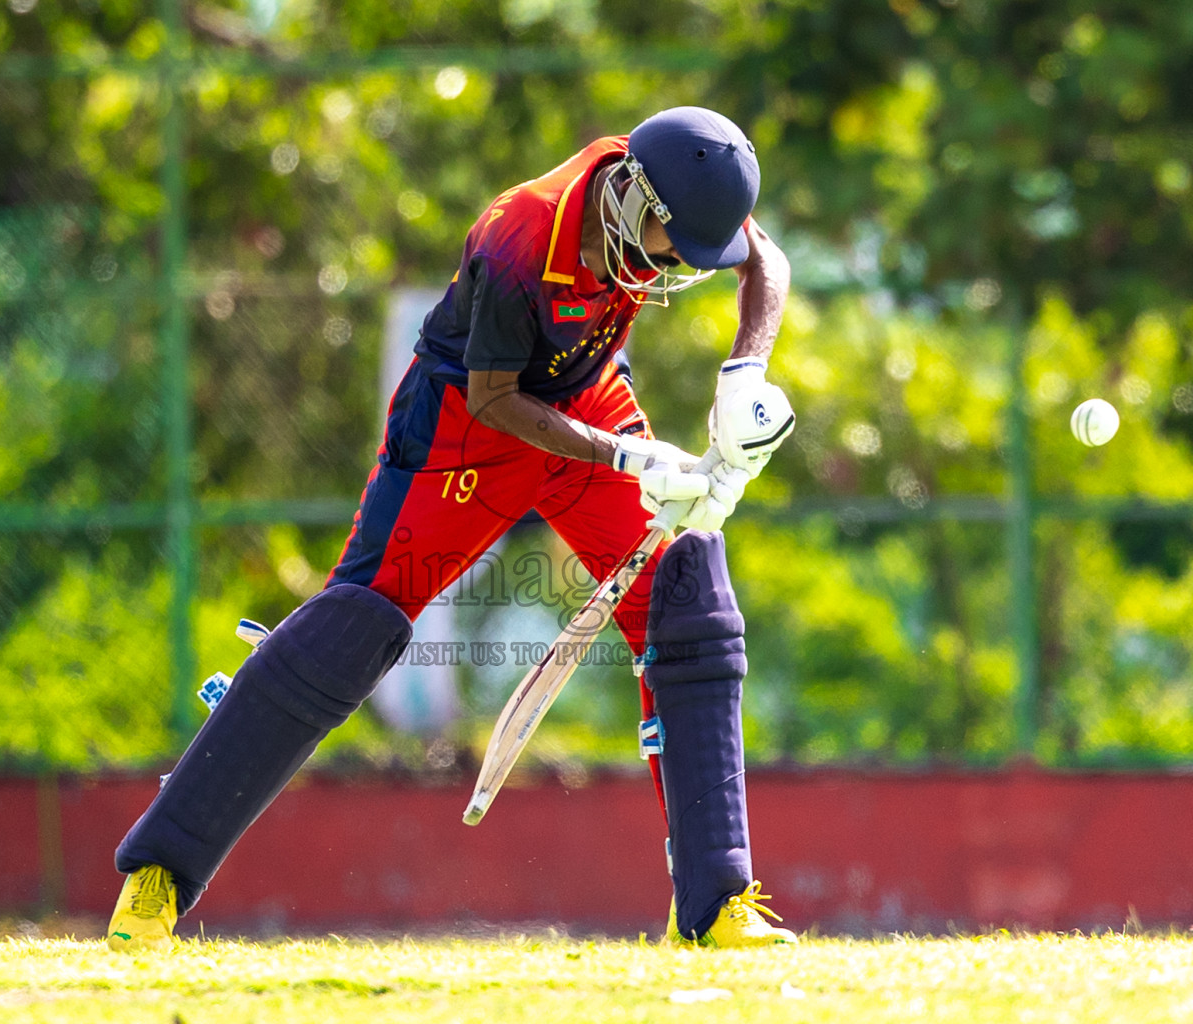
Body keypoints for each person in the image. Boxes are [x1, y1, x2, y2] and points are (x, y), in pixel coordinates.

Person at [106, 106, 797, 951]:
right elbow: (497, 398)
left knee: (688, 597)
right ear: (628, 198)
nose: (672, 269)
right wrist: (628, 461)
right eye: (669, 243)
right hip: (468, 426)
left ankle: (715, 905)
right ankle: (158, 877)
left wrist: (744, 371)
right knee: (353, 627)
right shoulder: (520, 236)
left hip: (586, 403)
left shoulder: (684, 173)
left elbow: (766, 258)